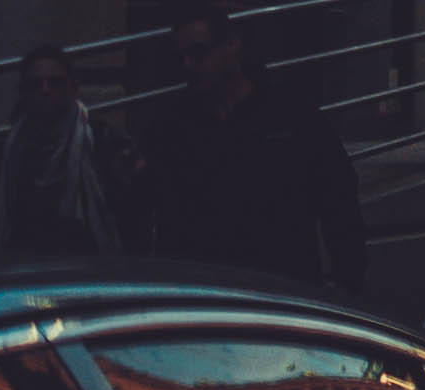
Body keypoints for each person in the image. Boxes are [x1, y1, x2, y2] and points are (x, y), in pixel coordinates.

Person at [137, 22, 365, 293]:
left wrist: (348, 283)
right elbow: (154, 211)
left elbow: (339, 200)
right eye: (181, 58)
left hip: (282, 292)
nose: (188, 65)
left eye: (198, 53)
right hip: (204, 296)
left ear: (231, 44)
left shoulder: (290, 114)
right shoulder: (173, 125)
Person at [0, 46, 143, 255]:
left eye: (55, 83)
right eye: (35, 84)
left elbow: (131, 213)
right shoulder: (1, 155)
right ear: (23, 92)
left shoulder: (103, 142)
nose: (45, 90)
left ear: (73, 88)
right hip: (24, 263)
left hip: (85, 264)